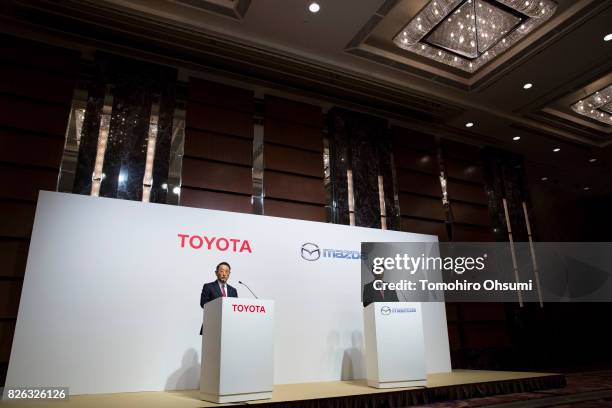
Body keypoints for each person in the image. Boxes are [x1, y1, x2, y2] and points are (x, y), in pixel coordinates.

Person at [200, 262, 238, 334]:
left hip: (228, 326)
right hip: (211, 325)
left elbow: (235, 308)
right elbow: (203, 304)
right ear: (216, 273)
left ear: (229, 274)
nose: (224, 274)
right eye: (221, 271)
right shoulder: (208, 287)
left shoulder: (233, 290)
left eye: (227, 272)